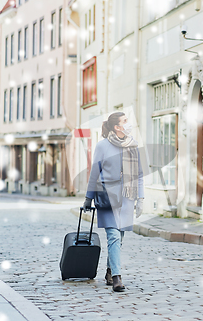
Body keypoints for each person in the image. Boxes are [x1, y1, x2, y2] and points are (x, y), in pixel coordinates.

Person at [83, 112, 144, 292]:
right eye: (125, 121)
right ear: (117, 127)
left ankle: (110, 270)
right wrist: (88, 197)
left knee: (120, 237)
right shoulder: (102, 146)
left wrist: (140, 198)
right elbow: (95, 172)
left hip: (127, 196)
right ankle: (117, 277)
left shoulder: (133, 146)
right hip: (107, 196)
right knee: (114, 236)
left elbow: (139, 175)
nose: (128, 123)